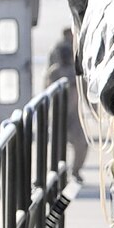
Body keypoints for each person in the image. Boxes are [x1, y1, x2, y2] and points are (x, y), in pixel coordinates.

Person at [45, 27, 88, 182]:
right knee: (57, 146)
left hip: (73, 114)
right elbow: (48, 89)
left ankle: (75, 171)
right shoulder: (54, 72)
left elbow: (84, 88)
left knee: (81, 144)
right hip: (58, 113)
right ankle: (57, 173)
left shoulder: (76, 70)